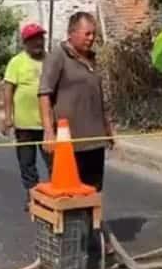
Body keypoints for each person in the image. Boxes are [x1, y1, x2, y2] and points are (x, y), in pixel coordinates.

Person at [38, 12, 115, 192]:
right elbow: (44, 94)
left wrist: (108, 128)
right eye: (87, 33)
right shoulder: (58, 57)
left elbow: (99, 95)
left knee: (93, 191)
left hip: (95, 140)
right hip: (69, 142)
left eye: (93, 34)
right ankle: (71, 222)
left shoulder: (91, 59)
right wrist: (48, 132)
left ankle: (92, 221)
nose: (91, 38)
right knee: (69, 193)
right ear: (71, 33)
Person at [2, 23, 51, 206]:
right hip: (24, 124)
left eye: (40, 38)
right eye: (34, 39)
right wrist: (8, 117)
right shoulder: (17, 62)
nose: (38, 42)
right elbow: (8, 90)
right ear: (26, 42)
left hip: (48, 124)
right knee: (27, 163)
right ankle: (33, 196)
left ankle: (53, 195)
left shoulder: (51, 60)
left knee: (55, 162)